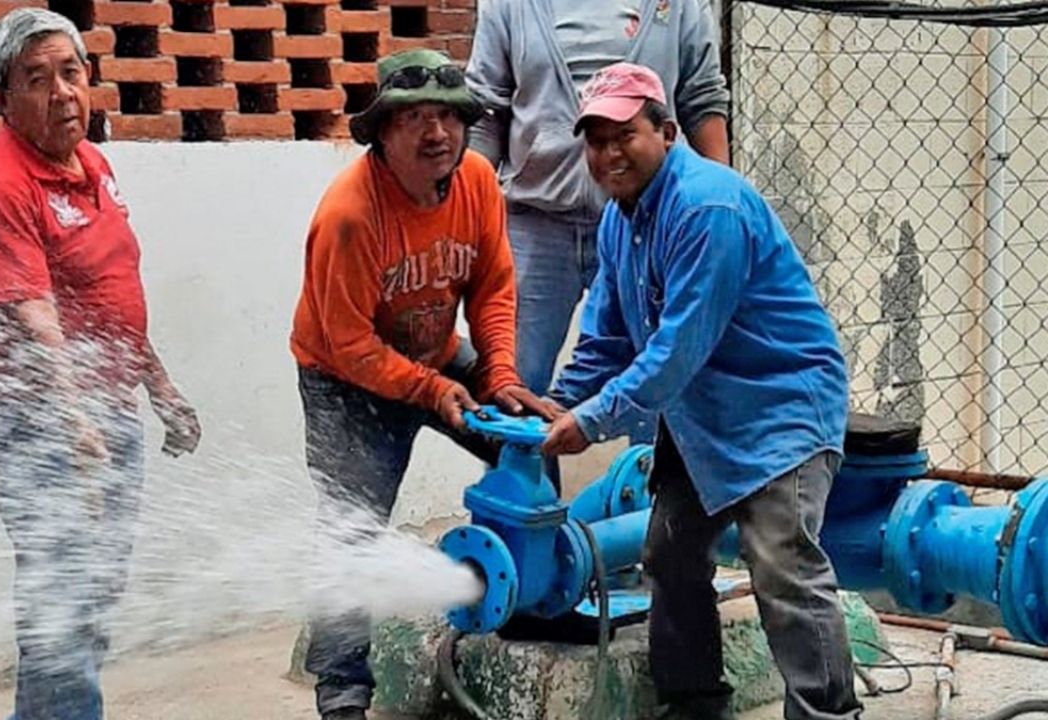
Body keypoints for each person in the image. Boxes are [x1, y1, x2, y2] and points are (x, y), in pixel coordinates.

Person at [542, 62, 861, 720]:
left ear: (666, 131)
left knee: (782, 564)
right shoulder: (619, 219)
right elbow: (606, 338)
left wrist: (590, 422)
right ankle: (692, 704)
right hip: (701, 414)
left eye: (623, 135)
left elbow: (675, 351)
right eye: (595, 141)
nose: (607, 154)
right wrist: (550, 404)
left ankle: (828, 714)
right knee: (669, 553)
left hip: (779, 406)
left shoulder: (707, 205)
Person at [0, 8, 202, 719]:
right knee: (63, 595)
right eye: (37, 79)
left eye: (71, 72)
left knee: (90, 599)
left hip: (108, 403)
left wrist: (160, 388)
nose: (62, 93)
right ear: (2, 100)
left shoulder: (91, 161)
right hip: (43, 419)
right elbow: (36, 319)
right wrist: (74, 425)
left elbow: (108, 296)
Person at [289, 48, 552, 720]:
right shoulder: (349, 215)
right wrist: (432, 390)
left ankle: (532, 599)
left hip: (434, 353)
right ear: (381, 131)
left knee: (528, 450)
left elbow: (493, 286)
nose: (437, 133)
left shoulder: (477, 182)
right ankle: (342, 692)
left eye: (448, 117)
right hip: (343, 381)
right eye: (416, 120)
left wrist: (498, 374)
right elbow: (348, 344)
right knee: (353, 529)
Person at [466, 0, 731, 407]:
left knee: (655, 381)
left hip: (645, 221)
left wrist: (723, 195)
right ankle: (523, 474)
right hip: (535, 225)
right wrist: (466, 216)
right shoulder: (509, 5)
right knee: (514, 388)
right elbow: (485, 111)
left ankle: (645, 472)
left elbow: (702, 97)